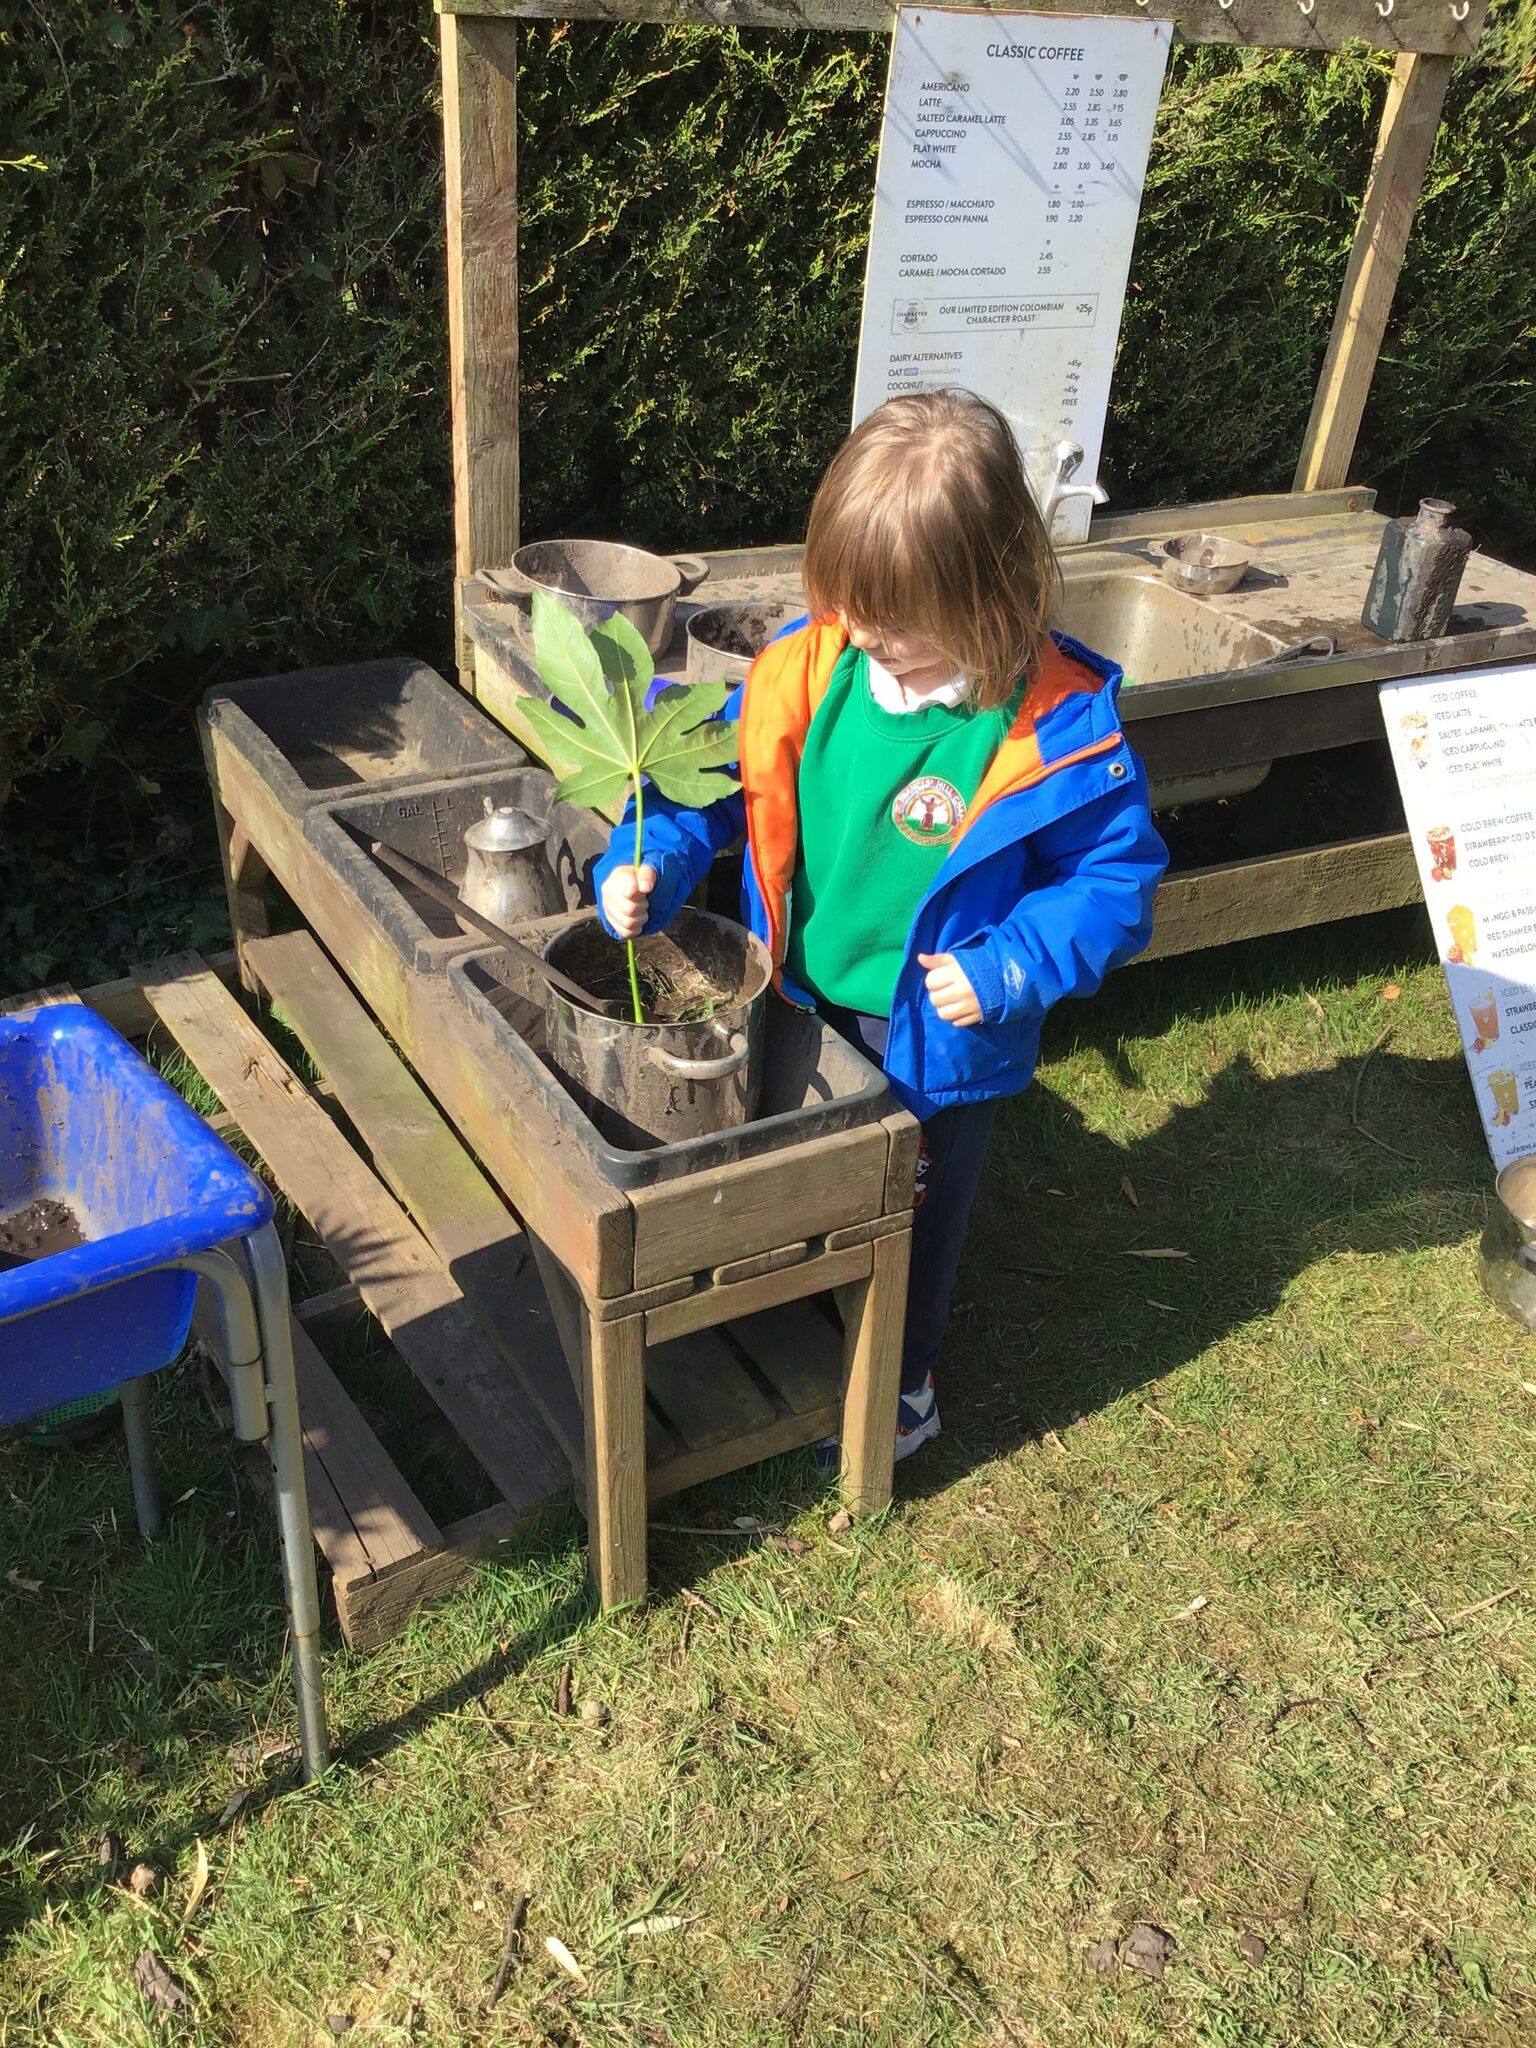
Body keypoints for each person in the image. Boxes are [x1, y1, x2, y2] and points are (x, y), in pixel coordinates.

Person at [596, 389, 1168, 1460]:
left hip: (938, 1039)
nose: (865, 635)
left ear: (990, 586)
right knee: (806, 1170)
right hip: (802, 993)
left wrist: (1011, 966)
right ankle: (804, 1314)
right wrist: (648, 862)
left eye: (894, 618)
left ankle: (901, 1387)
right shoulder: (808, 670)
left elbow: (1114, 882)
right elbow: (707, 789)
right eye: (848, 604)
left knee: (913, 1212)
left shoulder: (1055, 727)